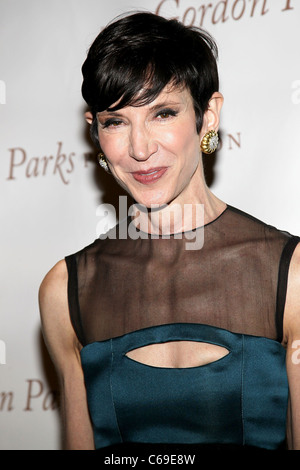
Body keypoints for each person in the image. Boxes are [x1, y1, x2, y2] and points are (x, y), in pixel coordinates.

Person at [39, 11, 300, 452]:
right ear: (95, 132)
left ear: (208, 115)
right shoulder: (66, 290)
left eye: (162, 113)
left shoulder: (290, 275)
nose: (140, 149)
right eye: (116, 121)